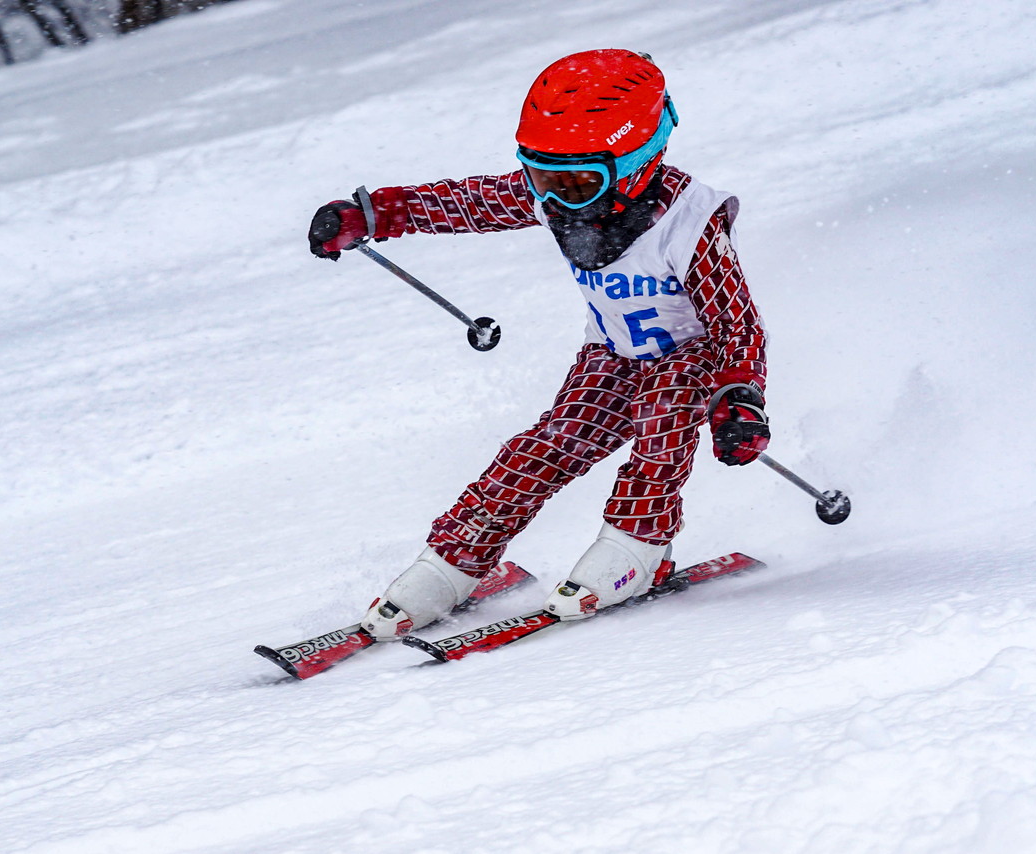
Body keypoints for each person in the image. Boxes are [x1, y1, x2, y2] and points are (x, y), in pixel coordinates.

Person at [308, 49, 769, 637]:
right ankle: (456, 561)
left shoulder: (689, 221)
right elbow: (468, 203)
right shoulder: (555, 192)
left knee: (662, 423)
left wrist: (740, 395)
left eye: (580, 182)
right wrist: (374, 215)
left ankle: (638, 546)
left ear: (637, 162)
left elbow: (738, 322)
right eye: (541, 176)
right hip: (610, 354)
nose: (556, 198)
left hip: (692, 359)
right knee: (546, 446)